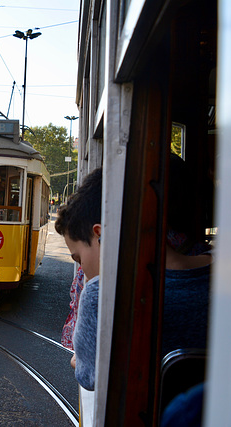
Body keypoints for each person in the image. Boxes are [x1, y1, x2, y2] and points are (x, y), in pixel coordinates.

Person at [55, 166, 211, 391]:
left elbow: (89, 376)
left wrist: (77, 360)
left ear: (101, 235)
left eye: (79, 259)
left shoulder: (101, 293)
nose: (83, 271)